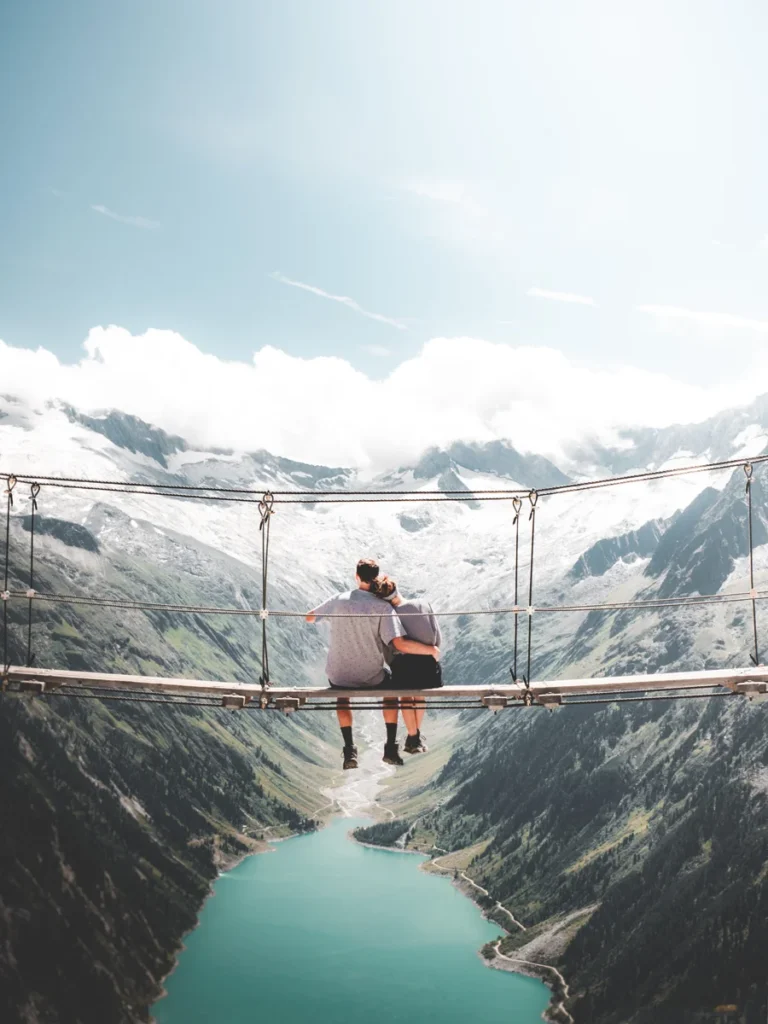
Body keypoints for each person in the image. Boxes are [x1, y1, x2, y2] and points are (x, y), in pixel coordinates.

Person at [306, 559, 440, 770]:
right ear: (376, 578)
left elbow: (310, 617)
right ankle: (390, 748)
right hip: (371, 675)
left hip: (339, 674)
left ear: (356, 576)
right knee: (391, 690)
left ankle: (349, 750)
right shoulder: (382, 607)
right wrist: (430, 650)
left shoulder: (339, 600)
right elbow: (399, 644)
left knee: (342, 696)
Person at [379, 578, 442, 754]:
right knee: (420, 696)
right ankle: (414, 737)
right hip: (429, 668)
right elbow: (437, 638)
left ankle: (413, 736)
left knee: (406, 696)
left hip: (403, 667)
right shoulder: (423, 604)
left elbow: (391, 646)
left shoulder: (390, 614)